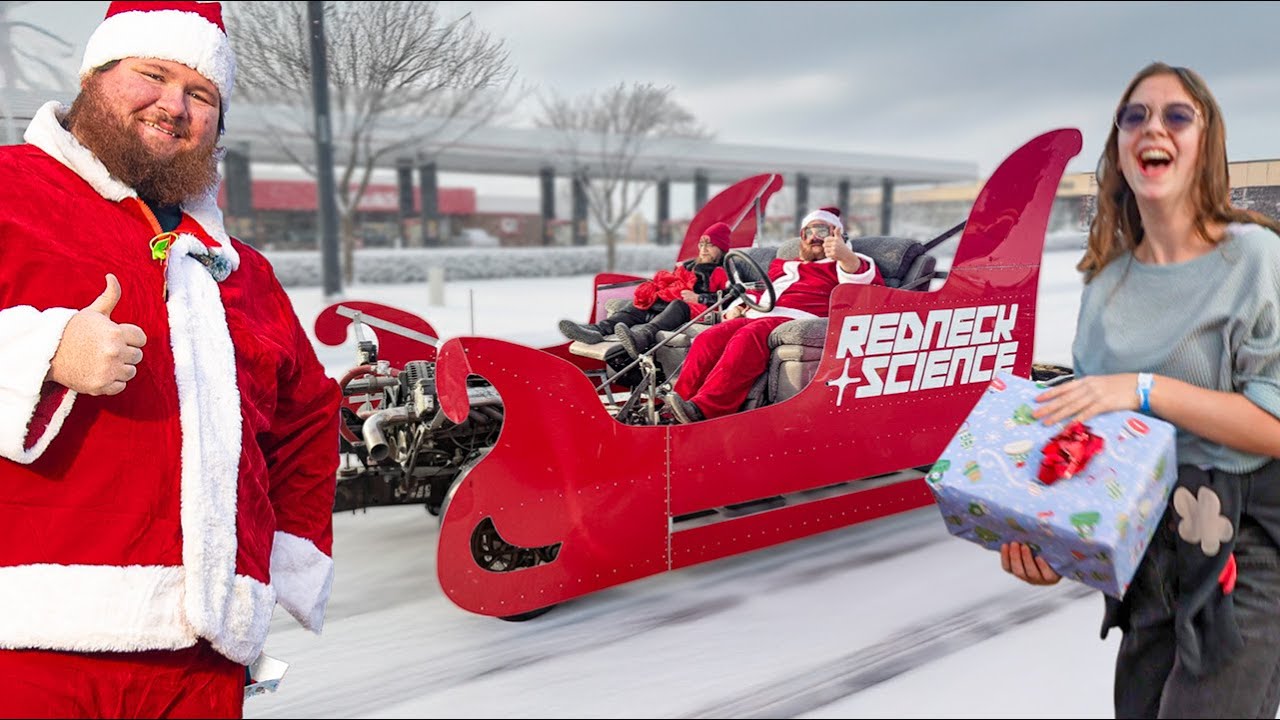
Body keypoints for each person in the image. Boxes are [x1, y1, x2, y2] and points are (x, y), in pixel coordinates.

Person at [0, 3, 340, 717]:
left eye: (201, 93)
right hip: (32, 648)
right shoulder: (12, 192)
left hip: (202, 660)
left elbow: (308, 415)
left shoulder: (240, 269)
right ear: (94, 78)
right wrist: (39, 350)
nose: (174, 106)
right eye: (151, 75)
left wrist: (269, 566)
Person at [999, 62, 1280, 718]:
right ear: (1120, 149)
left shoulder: (1257, 259)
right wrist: (1051, 543)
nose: (1154, 127)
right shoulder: (1104, 288)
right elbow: (1095, 447)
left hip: (1242, 542)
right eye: (1136, 116)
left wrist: (1144, 389)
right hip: (1147, 558)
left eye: (1177, 115)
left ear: (1205, 144)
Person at [663, 207, 883, 423]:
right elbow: (760, 291)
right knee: (708, 338)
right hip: (761, 314)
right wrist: (740, 307)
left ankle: (706, 409)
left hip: (800, 317)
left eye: (822, 231)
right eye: (808, 232)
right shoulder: (784, 265)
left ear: (837, 235)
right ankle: (677, 406)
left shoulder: (846, 262)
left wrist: (846, 257)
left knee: (749, 335)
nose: (814, 237)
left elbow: (866, 287)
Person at [558, 221, 732, 350]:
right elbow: (673, 280)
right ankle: (596, 331)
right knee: (639, 303)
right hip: (671, 301)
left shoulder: (725, 268)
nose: (704, 249)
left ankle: (642, 337)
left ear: (722, 247)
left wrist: (698, 297)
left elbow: (731, 296)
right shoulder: (688, 265)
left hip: (695, 309)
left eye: (710, 245)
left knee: (678, 305)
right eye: (702, 244)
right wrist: (659, 288)